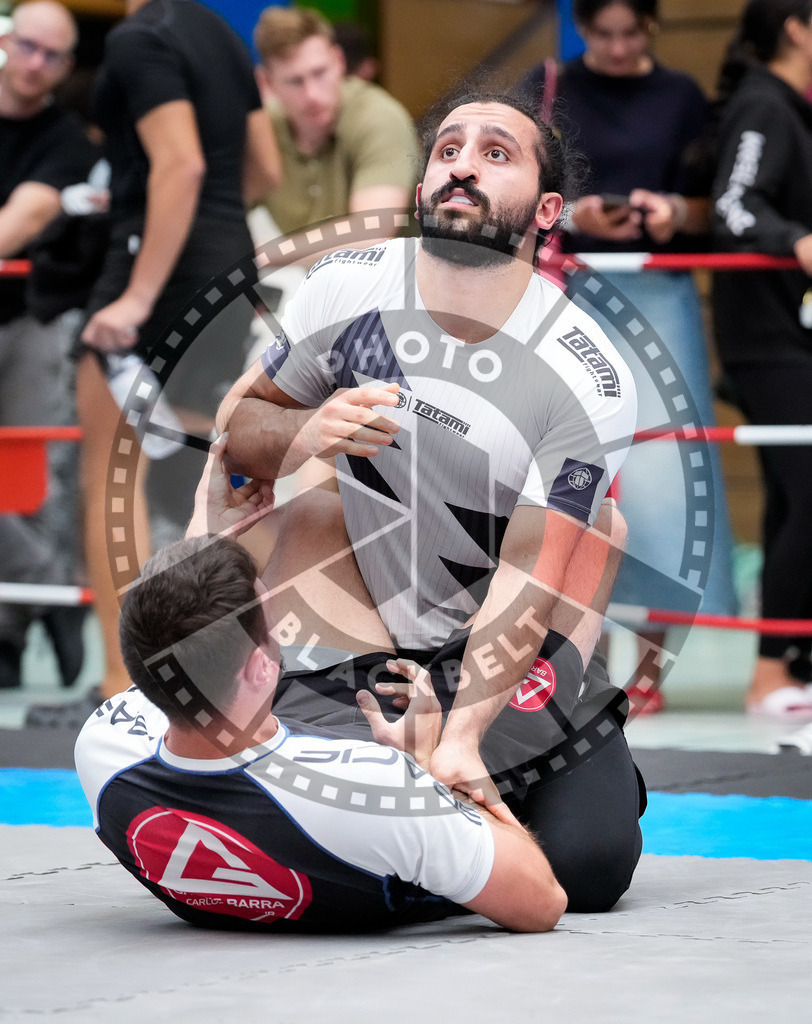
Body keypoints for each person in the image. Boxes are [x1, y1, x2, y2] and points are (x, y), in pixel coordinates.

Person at [215, 90, 647, 911]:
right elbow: (242, 427)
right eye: (448, 149)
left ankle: (485, 790)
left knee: (589, 866)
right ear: (421, 189)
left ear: (546, 209)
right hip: (369, 624)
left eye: (496, 153)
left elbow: (539, 564)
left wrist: (458, 741)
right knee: (312, 511)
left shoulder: (584, 369)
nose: (462, 166)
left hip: (511, 638)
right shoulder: (342, 289)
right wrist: (305, 433)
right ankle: (433, 814)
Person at [74, 437, 568, 933]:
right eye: (273, 624)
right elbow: (542, 901)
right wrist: (428, 768)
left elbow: (169, 641)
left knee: (314, 515)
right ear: (263, 669)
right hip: (404, 795)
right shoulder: (380, 790)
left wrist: (205, 535)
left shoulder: (105, 746)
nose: (282, 626)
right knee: (589, 543)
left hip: (322, 779)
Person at [51, 0, 281, 720]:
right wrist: (210, 236)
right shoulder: (218, 33)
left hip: (156, 277)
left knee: (110, 477)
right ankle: (236, 675)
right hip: (226, 267)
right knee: (220, 485)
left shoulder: (136, 38)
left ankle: (122, 682)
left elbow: (178, 167)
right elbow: (264, 170)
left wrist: (139, 293)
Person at [517, 0, 738, 714]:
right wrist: (577, 214)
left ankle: (649, 667)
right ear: (580, 27)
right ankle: (585, 659)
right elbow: (520, 182)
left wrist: (673, 213)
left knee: (667, 476)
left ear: (651, 27)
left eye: (629, 33)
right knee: (580, 468)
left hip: (661, 293)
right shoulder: (546, 83)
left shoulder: (679, 97)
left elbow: (717, 203)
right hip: (570, 289)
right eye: (600, 34)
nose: (614, 48)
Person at [711, 0, 812, 720]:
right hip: (765, 339)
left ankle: (791, 662)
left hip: (795, 335)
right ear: (796, 24)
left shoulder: (793, 109)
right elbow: (732, 205)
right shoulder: (762, 106)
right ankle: (769, 668)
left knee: (794, 496)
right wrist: (795, 241)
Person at [0, 1, 98, 690]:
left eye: (52, 56)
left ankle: (8, 637)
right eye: (28, 47)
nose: (36, 64)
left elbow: (21, 220)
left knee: (30, 479)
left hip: (27, 319)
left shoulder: (67, 139)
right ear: (6, 40)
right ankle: (47, 587)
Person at [253, 6, 418, 240]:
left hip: (394, 274)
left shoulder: (379, 117)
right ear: (267, 83)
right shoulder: (261, 128)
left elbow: (370, 235)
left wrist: (265, 257)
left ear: (339, 60)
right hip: (310, 275)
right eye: (294, 81)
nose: (312, 94)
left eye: (320, 73)